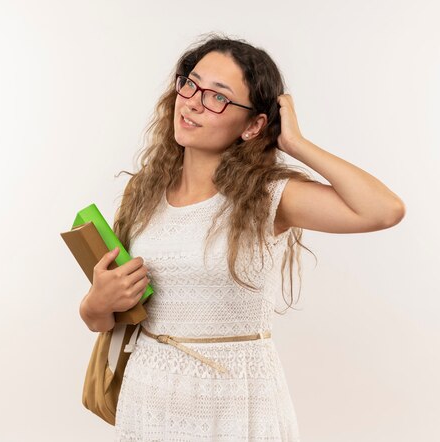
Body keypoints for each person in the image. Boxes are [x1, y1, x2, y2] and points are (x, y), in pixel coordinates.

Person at [79, 33, 405, 441]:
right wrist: (97, 302)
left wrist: (297, 145)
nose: (194, 101)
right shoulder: (143, 190)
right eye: (190, 83)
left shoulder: (267, 196)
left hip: (235, 399)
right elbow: (102, 320)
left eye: (218, 97)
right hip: (149, 396)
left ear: (253, 125)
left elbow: (383, 209)